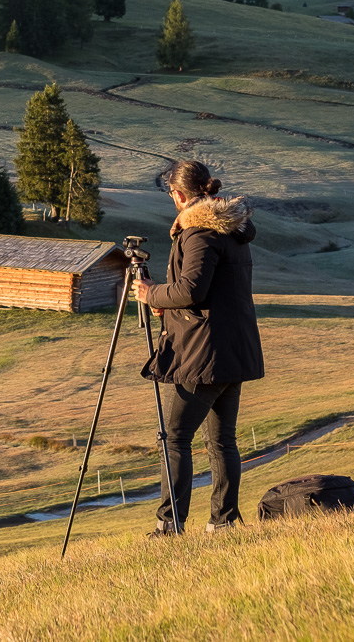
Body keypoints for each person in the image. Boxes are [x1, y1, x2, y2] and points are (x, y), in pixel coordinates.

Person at [135, 160, 264, 534]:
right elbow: (209, 293)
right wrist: (165, 301)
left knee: (174, 437)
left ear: (178, 195)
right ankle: (223, 521)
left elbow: (192, 290)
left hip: (204, 353)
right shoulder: (232, 230)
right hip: (233, 348)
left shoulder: (199, 234)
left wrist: (150, 293)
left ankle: (169, 524)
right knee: (222, 439)